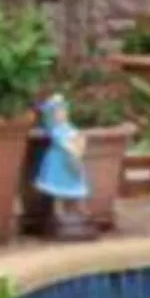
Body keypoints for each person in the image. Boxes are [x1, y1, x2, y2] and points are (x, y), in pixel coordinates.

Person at [34, 93, 96, 241]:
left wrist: (78, 144)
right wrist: (71, 147)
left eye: (63, 112)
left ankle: (80, 209)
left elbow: (76, 136)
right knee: (58, 188)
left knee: (76, 184)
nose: (62, 115)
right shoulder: (55, 130)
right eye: (58, 113)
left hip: (71, 161)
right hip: (59, 161)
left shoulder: (69, 127)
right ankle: (59, 212)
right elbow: (62, 141)